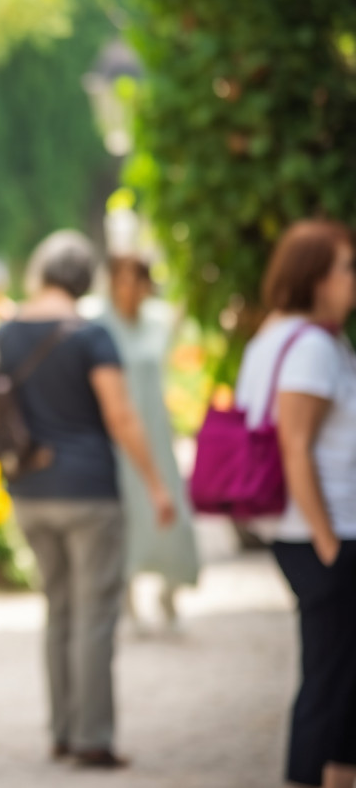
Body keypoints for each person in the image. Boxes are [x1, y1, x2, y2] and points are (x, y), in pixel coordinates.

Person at [0, 230, 174, 769]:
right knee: (95, 615)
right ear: (86, 278)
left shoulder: (2, 335)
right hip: (89, 494)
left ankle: (62, 732)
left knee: (58, 608)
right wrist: (157, 483)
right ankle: (92, 738)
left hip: (30, 495)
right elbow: (122, 416)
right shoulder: (91, 335)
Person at [233, 220, 356, 788]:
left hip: (307, 531)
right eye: (346, 267)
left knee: (337, 677)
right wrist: (330, 545)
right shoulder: (309, 345)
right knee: (329, 680)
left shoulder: (276, 337)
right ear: (315, 277)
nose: (353, 279)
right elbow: (295, 447)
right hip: (323, 532)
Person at [98, 255, 201, 629]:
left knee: (171, 513)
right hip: (117, 436)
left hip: (156, 432)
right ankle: (127, 598)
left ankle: (171, 591)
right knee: (127, 514)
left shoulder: (158, 321)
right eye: (121, 280)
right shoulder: (97, 322)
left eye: (135, 280)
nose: (128, 289)